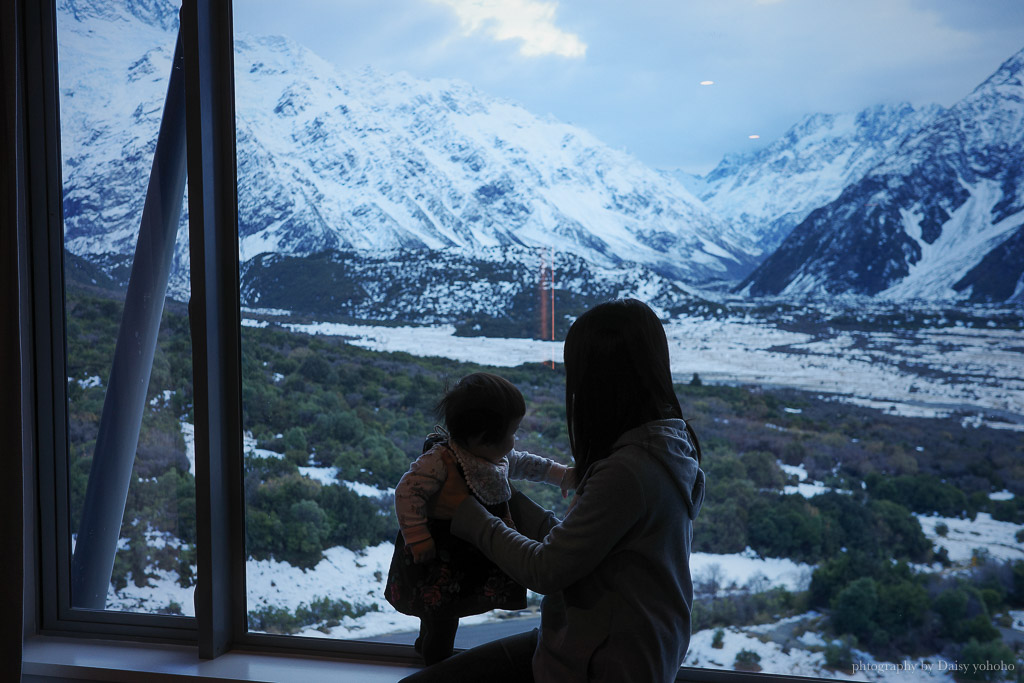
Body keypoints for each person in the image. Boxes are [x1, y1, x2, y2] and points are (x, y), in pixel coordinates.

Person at [401, 298, 705, 683]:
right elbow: (572, 549)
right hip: (589, 642)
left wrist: (465, 510)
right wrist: (491, 491)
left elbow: (546, 570)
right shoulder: (664, 446)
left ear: (601, 383)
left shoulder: (629, 471)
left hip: (601, 664)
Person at [385, 372, 575, 665]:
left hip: (463, 555)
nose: (514, 442)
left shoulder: (489, 455)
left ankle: (427, 649)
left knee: (442, 614)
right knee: (442, 619)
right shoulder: (440, 461)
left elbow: (525, 463)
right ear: (479, 439)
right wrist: (418, 537)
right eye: (511, 434)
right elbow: (406, 493)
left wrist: (561, 474)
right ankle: (434, 667)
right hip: (438, 558)